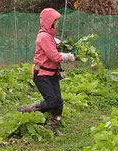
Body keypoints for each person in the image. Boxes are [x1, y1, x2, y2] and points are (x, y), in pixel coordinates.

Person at [16, 8, 75, 136]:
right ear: (50, 22)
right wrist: (68, 56)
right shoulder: (43, 37)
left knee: (58, 102)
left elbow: (53, 47)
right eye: (56, 20)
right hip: (42, 75)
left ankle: (55, 127)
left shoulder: (49, 37)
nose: (57, 23)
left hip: (52, 74)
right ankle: (27, 110)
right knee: (51, 101)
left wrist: (59, 45)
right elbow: (55, 57)